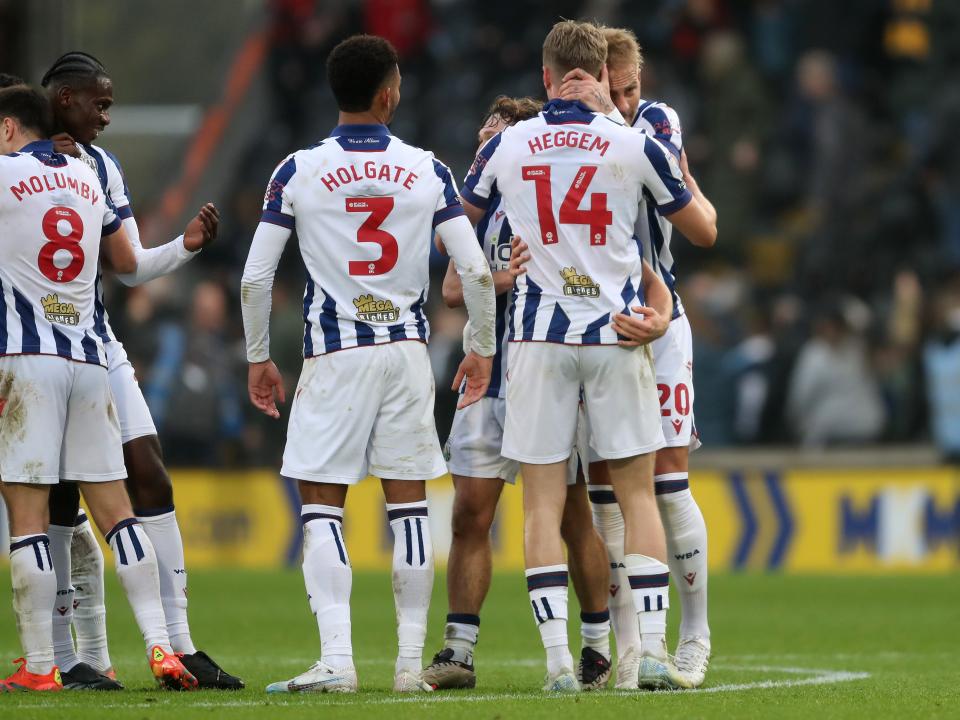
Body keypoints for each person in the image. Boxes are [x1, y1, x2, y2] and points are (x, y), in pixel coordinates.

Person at [460, 20, 716, 692]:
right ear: (600, 74)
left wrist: (495, 272)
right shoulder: (632, 142)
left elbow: (454, 234)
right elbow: (699, 227)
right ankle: (647, 649)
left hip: (547, 339)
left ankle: (564, 663)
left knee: (549, 504)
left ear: (546, 78)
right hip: (617, 331)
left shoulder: (510, 143)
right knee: (631, 495)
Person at [241, 34, 496, 694]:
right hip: (407, 354)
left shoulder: (296, 170)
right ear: (388, 95)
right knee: (409, 508)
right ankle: (410, 667)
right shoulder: (429, 170)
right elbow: (473, 270)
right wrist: (482, 349)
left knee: (322, 508)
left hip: (336, 355)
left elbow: (255, 278)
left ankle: (336, 660)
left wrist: (259, 357)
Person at [34, 51, 242, 690]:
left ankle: (181, 645)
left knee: (149, 472)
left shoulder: (100, 166)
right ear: (64, 99)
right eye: (98, 104)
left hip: (98, 345)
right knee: (59, 500)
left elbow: (125, 264)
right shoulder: (15, 165)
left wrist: (184, 247)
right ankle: (65, 655)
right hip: (33, 352)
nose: (106, 117)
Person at [423, 96, 636, 692]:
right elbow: (452, 291)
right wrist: (503, 278)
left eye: (494, 137)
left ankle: (595, 649)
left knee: (571, 516)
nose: (484, 147)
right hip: (486, 378)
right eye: (482, 137)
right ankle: (459, 651)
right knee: (470, 514)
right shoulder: (476, 214)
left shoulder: (553, 203)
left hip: (545, 371)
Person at [0, 84, 197, 692]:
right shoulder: (89, 179)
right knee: (117, 512)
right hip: (89, 360)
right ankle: (162, 646)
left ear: (8, 128)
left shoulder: (3, 175)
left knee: (28, 517)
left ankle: (39, 667)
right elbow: (126, 260)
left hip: (27, 359)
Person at [554, 26, 717, 687]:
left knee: (668, 480)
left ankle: (694, 634)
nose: (625, 99)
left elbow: (684, 210)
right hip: (596, 327)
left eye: (631, 88)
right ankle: (629, 649)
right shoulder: (556, 138)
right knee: (606, 494)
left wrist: (607, 115)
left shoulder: (655, 121)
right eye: (613, 89)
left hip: (661, 321)